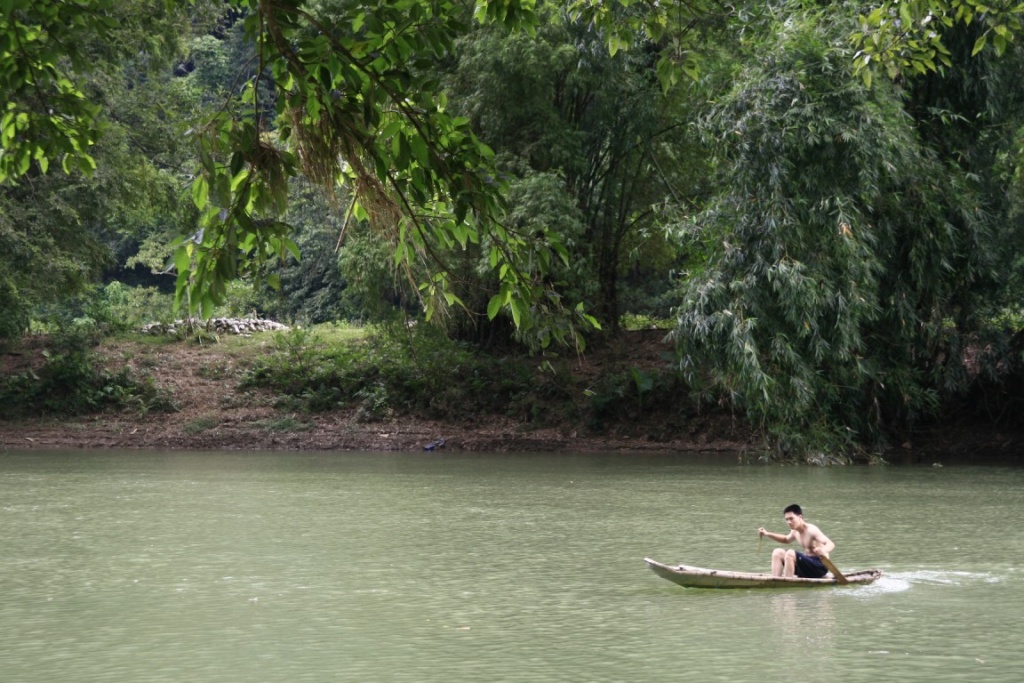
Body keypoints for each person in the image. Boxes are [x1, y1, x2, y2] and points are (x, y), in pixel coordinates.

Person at [757, 504, 835, 578]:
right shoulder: (794, 531)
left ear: (800, 517)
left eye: (791, 518)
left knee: (790, 553)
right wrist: (767, 534)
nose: (789, 522)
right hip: (806, 566)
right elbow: (786, 539)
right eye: (787, 519)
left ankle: (787, 582)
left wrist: (823, 551)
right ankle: (775, 580)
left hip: (819, 567)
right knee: (777, 552)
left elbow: (830, 544)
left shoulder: (812, 530)